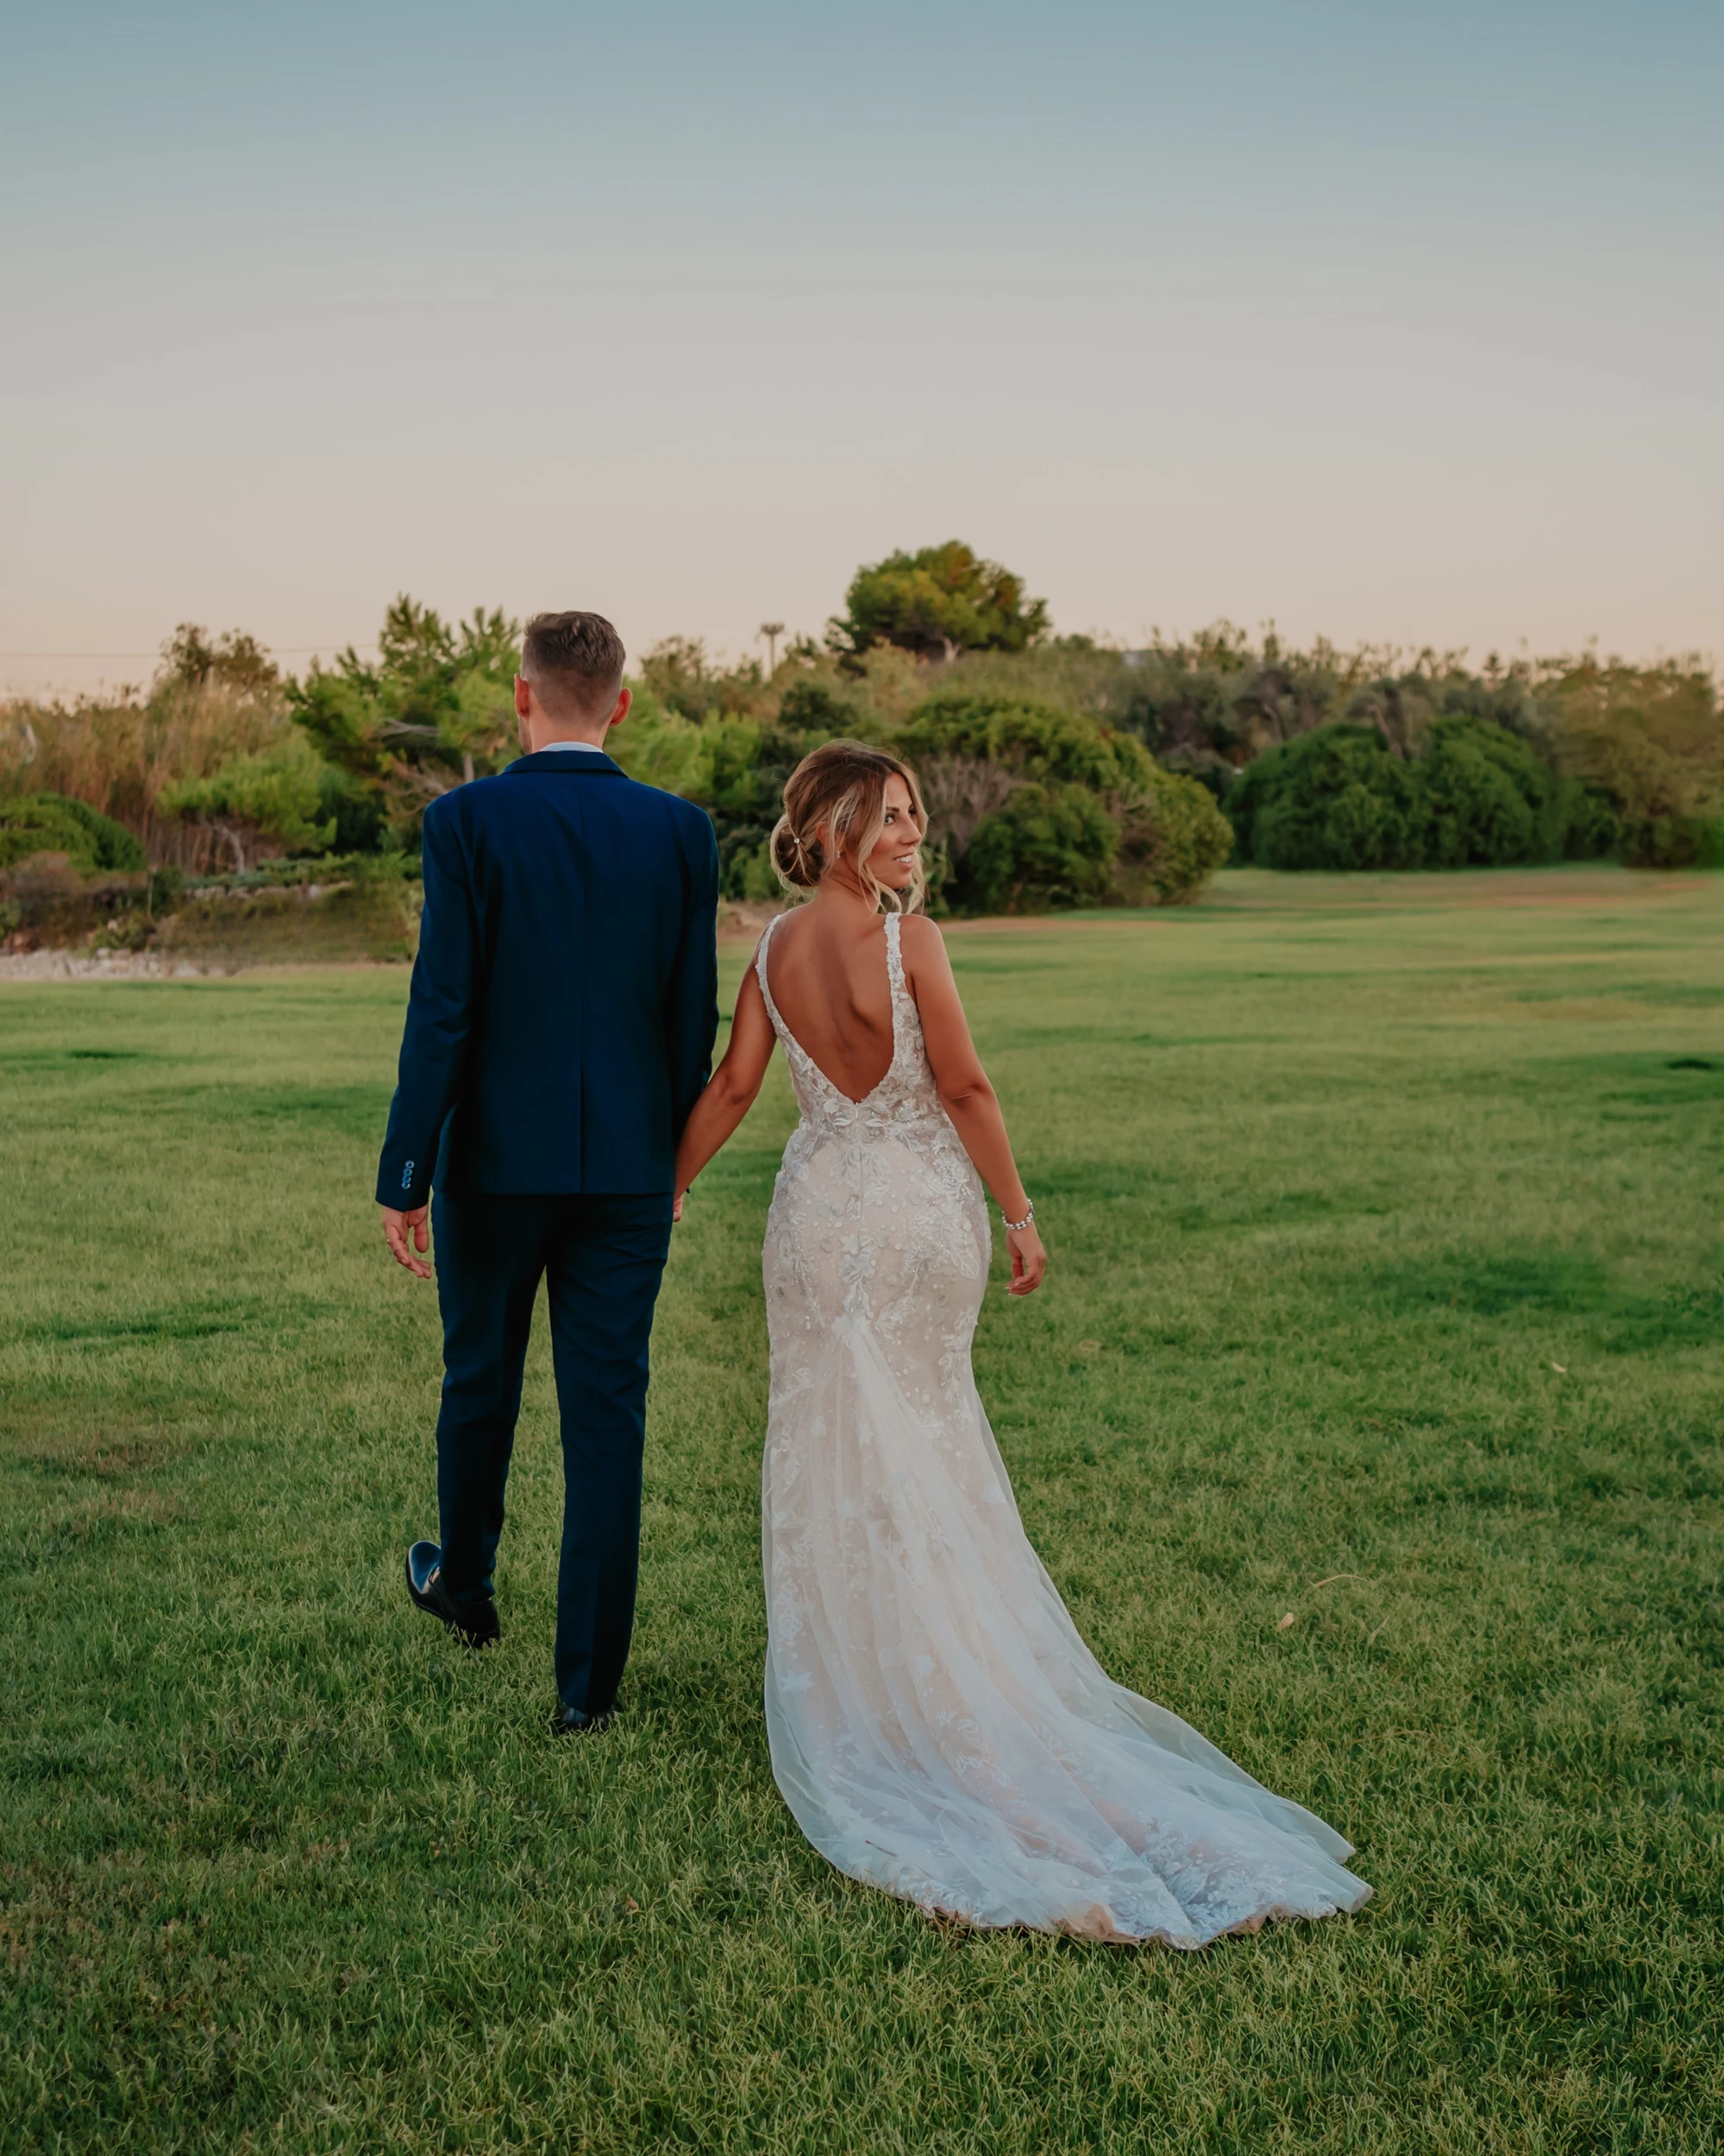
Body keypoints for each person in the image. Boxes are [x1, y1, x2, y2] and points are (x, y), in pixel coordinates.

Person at [672, 741, 1370, 1943]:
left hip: (818, 1216)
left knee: (840, 1456)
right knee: (924, 1447)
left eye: (914, 814)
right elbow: (966, 1090)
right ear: (835, 829)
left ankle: (879, 1696)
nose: (912, 834)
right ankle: (953, 1692)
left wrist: (667, 1188)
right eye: (889, 818)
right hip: (918, 1218)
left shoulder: (773, 951)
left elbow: (733, 1091)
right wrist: (1020, 1213)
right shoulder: (908, 944)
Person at [376, 611, 718, 1735]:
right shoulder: (680, 831)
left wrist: (407, 1168)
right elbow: (687, 1017)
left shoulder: (464, 820)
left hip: (491, 1163)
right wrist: (665, 1155)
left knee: (479, 1379)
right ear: (618, 702)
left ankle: (464, 1590)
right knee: (606, 1415)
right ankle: (587, 1693)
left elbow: (445, 1006)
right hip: (627, 1168)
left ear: (522, 697)